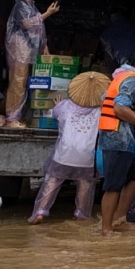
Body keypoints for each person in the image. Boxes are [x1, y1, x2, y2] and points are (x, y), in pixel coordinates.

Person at [28, 71, 106, 224]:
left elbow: (56, 115)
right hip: (87, 156)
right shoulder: (100, 111)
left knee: (52, 181)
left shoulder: (64, 106)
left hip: (64, 153)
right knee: (85, 183)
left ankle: (40, 211)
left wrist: (58, 104)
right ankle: (81, 214)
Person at [96, 44, 135, 236]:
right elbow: (119, 108)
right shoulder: (133, 80)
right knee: (113, 184)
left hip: (126, 140)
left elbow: (104, 99)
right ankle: (106, 229)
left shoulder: (123, 77)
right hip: (117, 138)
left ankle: (120, 220)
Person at [4, 0, 60, 126]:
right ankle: (11, 118)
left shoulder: (31, 6)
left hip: (27, 46)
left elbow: (38, 30)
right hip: (19, 45)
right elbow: (27, 24)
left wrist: (44, 45)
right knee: (18, 80)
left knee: (22, 81)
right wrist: (48, 13)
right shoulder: (21, 5)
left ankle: (16, 116)